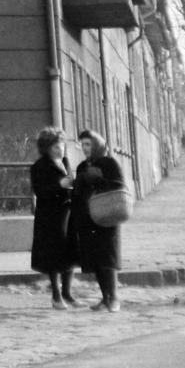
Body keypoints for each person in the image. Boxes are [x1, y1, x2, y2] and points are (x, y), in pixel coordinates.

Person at [69, 128, 126, 311]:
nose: (85, 148)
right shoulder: (81, 167)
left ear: (97, 144)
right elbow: (78, 193)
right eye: (83, 144)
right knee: (95, 260)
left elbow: (118, 186)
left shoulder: (109, 163)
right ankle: (105, 298)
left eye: (88, 144)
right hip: (88, 218)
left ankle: (114, 298)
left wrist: (96, 179)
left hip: (107, 215)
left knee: (108, 257)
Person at [29, 126, 76, 307]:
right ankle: (56, 296)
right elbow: (41, 192)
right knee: (53, 256)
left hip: (68, 213)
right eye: (56, 147)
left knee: (70, 253)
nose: (61, 149)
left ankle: (68, 293)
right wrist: (60, 185)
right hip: (50, 217)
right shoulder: (39, 167)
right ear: (47, 148)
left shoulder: (65, 161)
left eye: (62, 145)